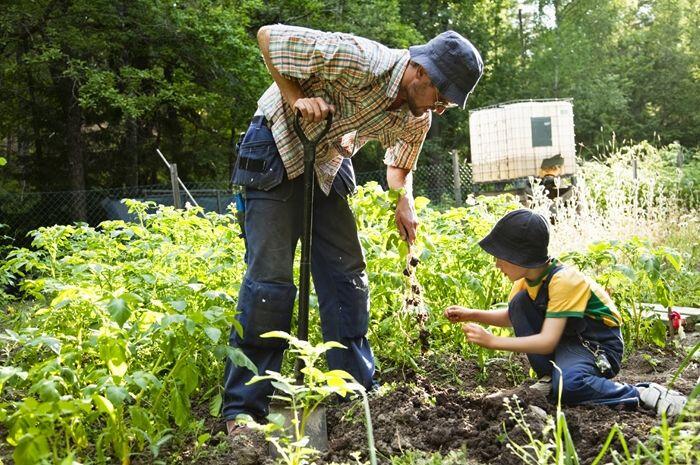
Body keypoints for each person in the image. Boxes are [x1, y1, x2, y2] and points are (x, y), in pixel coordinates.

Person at [223, 24, 484, 442]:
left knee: (347, 277)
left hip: (327, 156)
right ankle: (245, 407)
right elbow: (268, 37)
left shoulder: (416, 117)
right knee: (270, 282)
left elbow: (399, 165)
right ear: (421, 72)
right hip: (276, 143)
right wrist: (296, 98)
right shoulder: (359, 57)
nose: (441, 108)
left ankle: (355, 388)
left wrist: (405, 201)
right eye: (441, 96)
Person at [444, 209, 688, 417]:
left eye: (500, 257)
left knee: (570, 387)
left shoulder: (564, 280)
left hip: (598, 345)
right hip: (568, 342)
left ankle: (643, 393)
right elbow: (512, 317)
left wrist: (493, 341)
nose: (497, 264)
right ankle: (552, 379)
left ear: (520, 257)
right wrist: (471, 314)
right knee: (518, 304)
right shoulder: (526, 281)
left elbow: (547, 340)